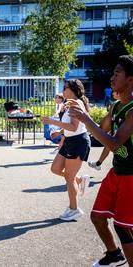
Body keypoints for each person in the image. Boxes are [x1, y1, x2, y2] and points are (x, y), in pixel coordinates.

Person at [69, 55, 133, 267]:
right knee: (97, 217)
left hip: (131, 176)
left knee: (123, 226)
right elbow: (102, 131)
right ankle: (114, 254)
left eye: (117, 73)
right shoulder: (115, 106)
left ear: (131, 79)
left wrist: (86, 120)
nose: (112, 77)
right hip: (117, 172)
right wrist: (84, 117)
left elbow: (114, 144)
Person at [41, 79, 91, 221]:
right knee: (55, 169)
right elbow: (71, 126)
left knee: (69, 177)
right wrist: (60, 132)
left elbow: (75, 127)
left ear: (74, 89)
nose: (63, 91)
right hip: (69, 140)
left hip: (78, 142)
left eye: (65, 88)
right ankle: (80, 179)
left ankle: (74, 209)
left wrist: (52, 122)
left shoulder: (76, 104)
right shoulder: (69, 103)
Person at [88, 91, 120, 171]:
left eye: (115, 92)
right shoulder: (115, 104)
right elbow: (108, 122)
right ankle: (98, 163)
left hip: (121, 135)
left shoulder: (118, 104)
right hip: (117, 133)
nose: (112, 94)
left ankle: (98, 163)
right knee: (109, 146)